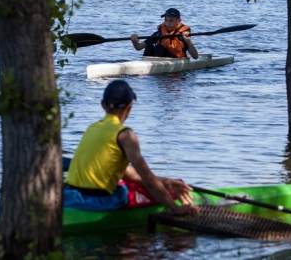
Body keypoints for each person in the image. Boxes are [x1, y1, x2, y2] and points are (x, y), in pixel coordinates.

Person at [65, 80, 198, 215]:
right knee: (156, 191)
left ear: (103, 105)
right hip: (99, 201)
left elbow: (127, 173)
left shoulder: (92, 128)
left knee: (141, 186)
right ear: (130, 106)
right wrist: (175, 209)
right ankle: (180, 200)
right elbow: (148, 181)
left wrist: (165, 181)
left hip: (70, 197)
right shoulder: (125, 135)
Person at [130, 8, 199, 59]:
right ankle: (146, 66)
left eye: (171, 21)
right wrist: (135, 42)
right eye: (166, 20)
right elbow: (139, 47)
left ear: (179, 21)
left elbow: (195, 57)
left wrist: (188, 41)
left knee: (159, 47)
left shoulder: (182, 35)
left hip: (174, 60)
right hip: (155, 61)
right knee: (149, 46)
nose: (168, 23)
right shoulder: (159, 33)